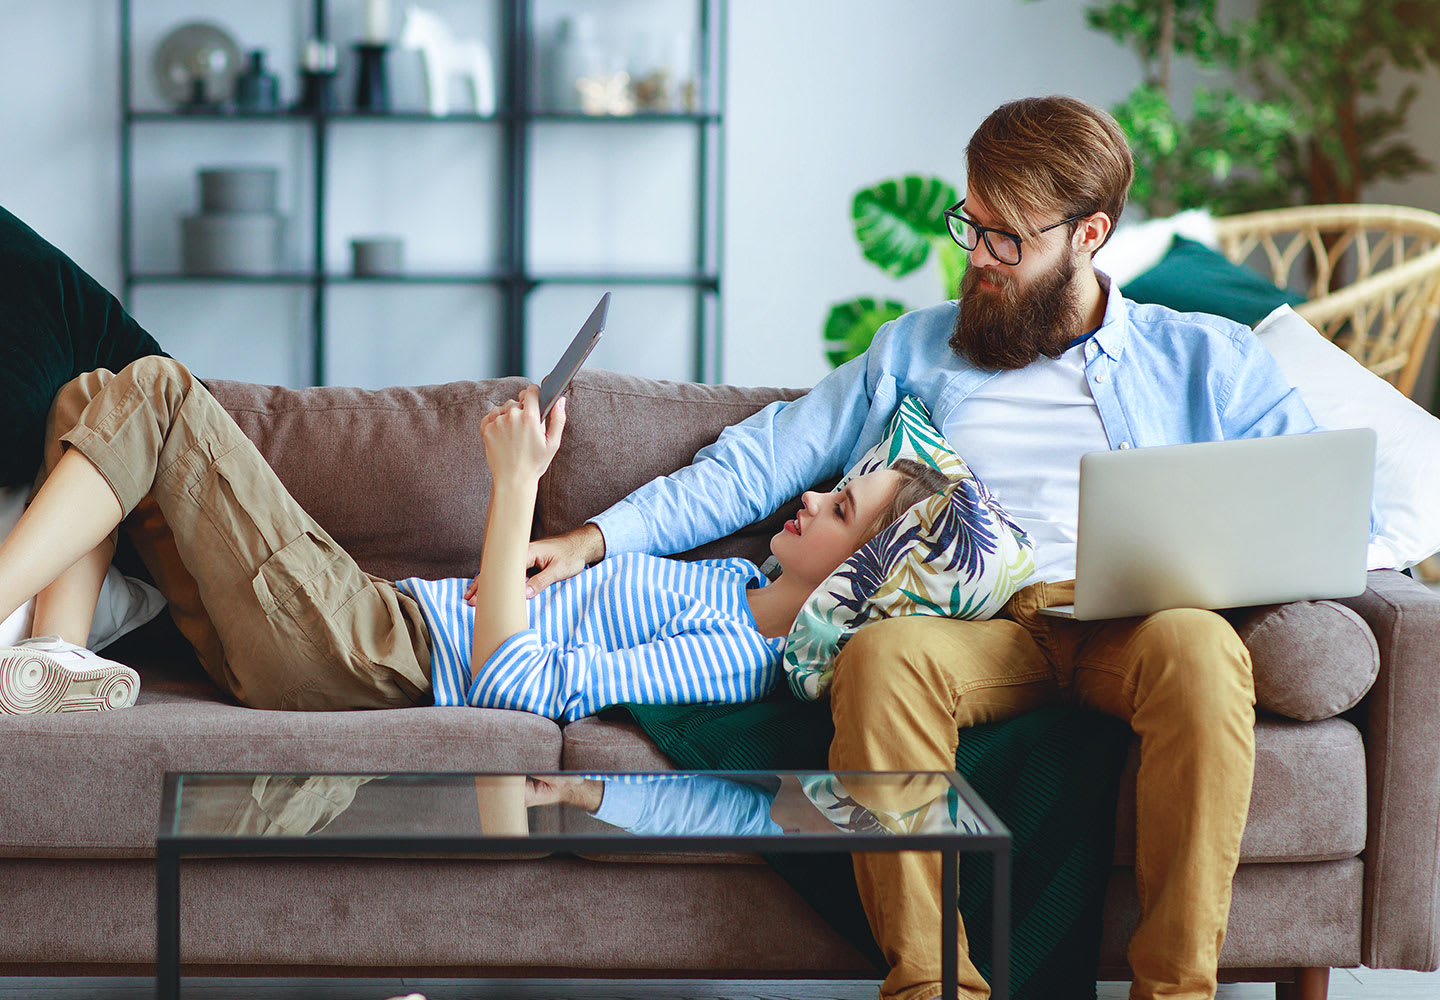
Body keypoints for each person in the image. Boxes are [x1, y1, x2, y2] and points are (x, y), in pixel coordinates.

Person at [514, 95, 1340, 1000]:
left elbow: (1326, 501)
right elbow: (762, 457)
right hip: (981, 629)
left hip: (1133, 621)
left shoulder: (1207, 362)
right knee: (883, 657)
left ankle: (1176, 993)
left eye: (1007, 240)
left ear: (1089, 234)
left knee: (1205, 651)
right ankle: (933, 986)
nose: (977, 259)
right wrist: (599, 536)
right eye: (970, 225)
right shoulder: (918, 350)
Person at [0, 357, 950, 719]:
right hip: (369, 611)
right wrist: (568, 544)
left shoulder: (736, 660)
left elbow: (513, 687)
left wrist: (514, 492)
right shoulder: (720, 587)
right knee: (92, 393)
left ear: (865, 574)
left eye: (845, 509)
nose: (818, 495)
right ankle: (56, 658)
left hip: (376, 654)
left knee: (159, 391)